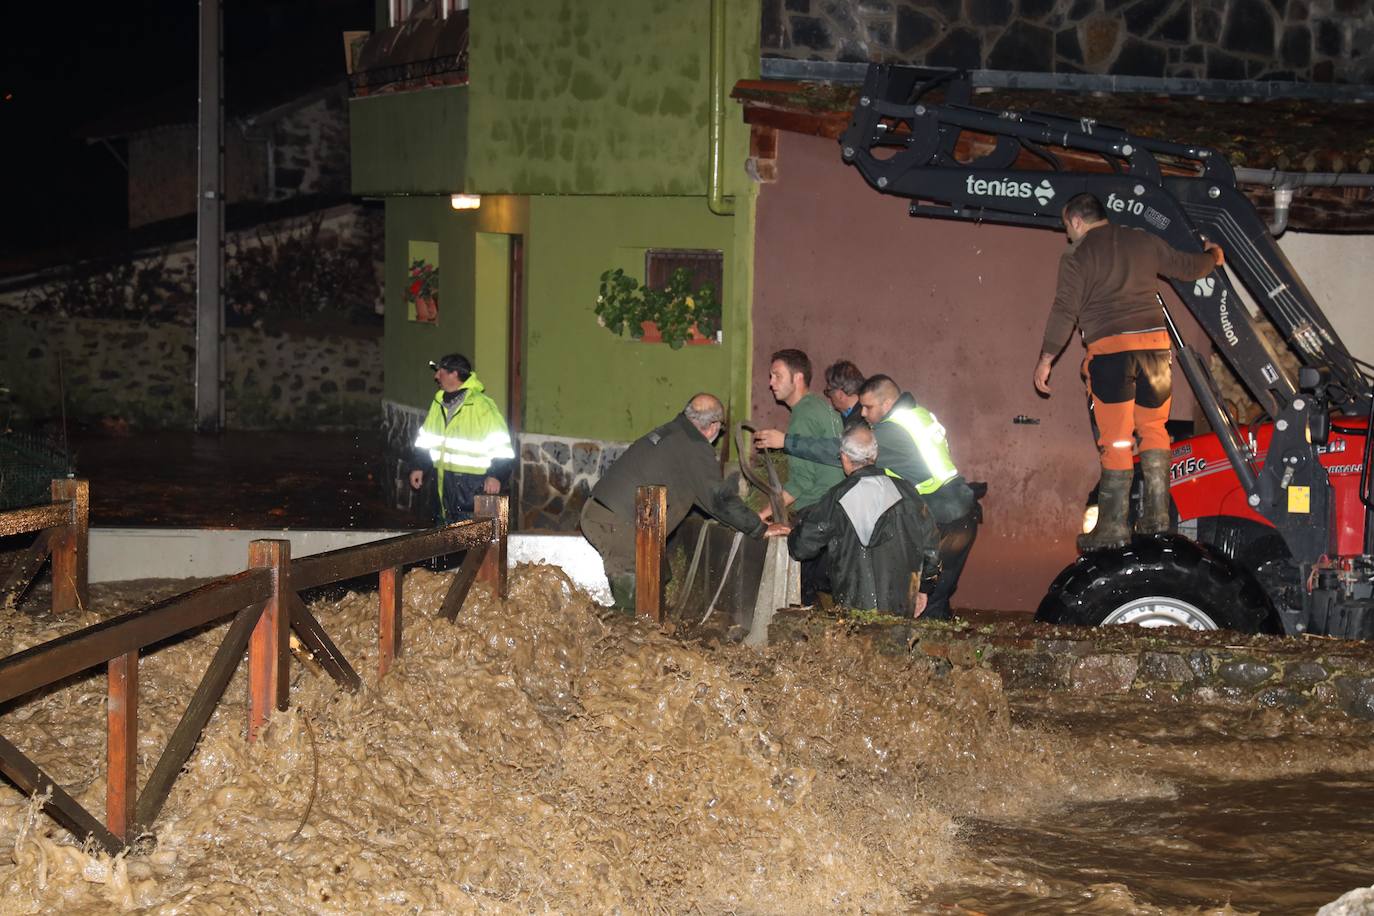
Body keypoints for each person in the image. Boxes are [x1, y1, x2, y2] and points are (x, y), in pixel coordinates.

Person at [1033, 192, 1225, 550]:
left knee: (1117, 440)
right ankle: (1156, 518)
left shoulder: (1078, 254)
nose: (1067, 234)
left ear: (1076, 220)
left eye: (1066, 226)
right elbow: (1187, 267)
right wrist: (1213, 257)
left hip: (1112, 353)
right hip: (1155, 351)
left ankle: (1113, 526)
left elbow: (1064, 309)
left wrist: (1047, 358)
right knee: (1153, 429)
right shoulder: (1142, 240)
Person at [754, 374, 979, 619]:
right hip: (957, 509)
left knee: (928, 601)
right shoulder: (916, 415)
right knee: (927, 595)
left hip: (946, 518)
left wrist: (786, 441)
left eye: (868, 407)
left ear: (888, 404)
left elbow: (838, 448)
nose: (862, 413)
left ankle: (930, 649)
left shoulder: (892, 433)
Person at [581, 393, 766, 609]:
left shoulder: (675, 432)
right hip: (617, 522)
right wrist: (758, 528)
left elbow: (696, 496)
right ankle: (619, 632)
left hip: (608, 514)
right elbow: (719, 500)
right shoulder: (694, 447)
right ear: (714, 426)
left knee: (660, 576)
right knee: (639, 602)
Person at [775, 426, 941, 617]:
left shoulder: (837, 498)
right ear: (875, 454)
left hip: (853, 608)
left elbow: (801, 547)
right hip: (902, 605)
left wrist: (793, 531)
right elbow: (931, 548)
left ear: (844, 457)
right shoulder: (908, 493)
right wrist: (924, 588)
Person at [763, 349, 846, 605]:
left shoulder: (803, 416)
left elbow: (801, 483)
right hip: (838, 508)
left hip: (815, 510)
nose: (771, 383)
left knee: (801, 596)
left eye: (777, 376)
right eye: (770, 376)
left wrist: (760, 515)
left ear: (797, 378)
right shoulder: (822, 407)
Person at [409, 353, 515, 523]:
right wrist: (419, 466)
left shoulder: (481, 405)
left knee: (469, 540)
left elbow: (501, 446)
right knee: (444, 538)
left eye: (440, 372)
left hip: (472, 488)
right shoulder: (438, 403)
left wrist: (496, 474)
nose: (436, 376)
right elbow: (426, 440)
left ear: (454, 374)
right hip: (443, 484)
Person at [822, 359, 866, 431]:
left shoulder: (858, 425)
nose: (829, 398)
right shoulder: (864, 412)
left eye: (828, 392)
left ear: (840, 395)